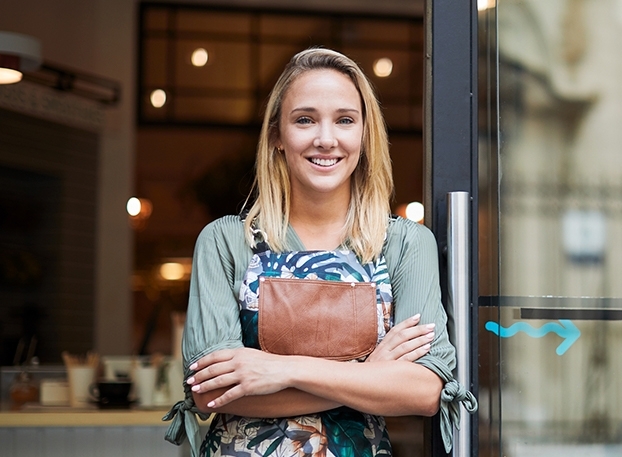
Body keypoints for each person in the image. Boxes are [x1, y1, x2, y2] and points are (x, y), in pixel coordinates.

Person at [163, 47, 476, 457]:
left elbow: (422, 390)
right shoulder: (225, 242)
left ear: (365, 135)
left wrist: (280, 369)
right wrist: (369, 376)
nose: (325, 139)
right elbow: (214, 391)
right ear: (277, 134)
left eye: (345, 120)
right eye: (305, 119)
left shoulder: (403, 244)